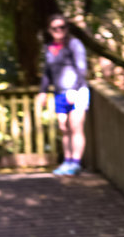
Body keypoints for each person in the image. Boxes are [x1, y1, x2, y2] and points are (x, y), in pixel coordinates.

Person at [38, 14, 89, 176]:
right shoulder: (49, 48)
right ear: (49, 30)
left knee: (75, 126)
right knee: (63, 127)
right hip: (59, 93)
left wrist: (74, 89)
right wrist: (43, 92)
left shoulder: (74, 44)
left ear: (67, 29)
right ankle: (67, 161)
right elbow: (47, 73)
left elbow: (81, 68)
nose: (59, 30)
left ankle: (76, 162)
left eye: (62, 27)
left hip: (77, 91)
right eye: (55, 28)